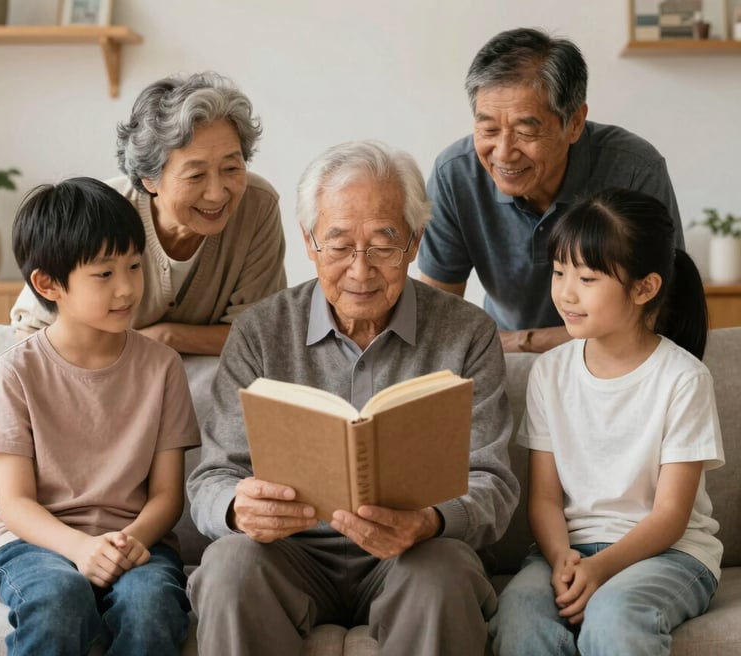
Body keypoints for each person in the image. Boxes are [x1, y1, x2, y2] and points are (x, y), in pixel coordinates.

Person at [186, 140, 519, 656]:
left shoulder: (468, 333)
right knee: (229, 566)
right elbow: (212, 476)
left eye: (383, 245)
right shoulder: (260, 331)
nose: (360, 271)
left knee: (444, 574)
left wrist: (429, 520)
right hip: (290, 554)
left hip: (414, 552)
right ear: (309, 241)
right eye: (339, 245)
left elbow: (492, 482)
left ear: (414, 242)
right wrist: (236, 509)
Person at [488, 188, 723, 656]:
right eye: (558, 272)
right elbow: (546, 500)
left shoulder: (683, 379)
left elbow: (671, 516)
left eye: (588, 278)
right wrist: (561, 561)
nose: (566, 292)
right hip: (567, 549)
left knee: (614, 615)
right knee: (518, 617)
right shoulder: (549, 373)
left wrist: (601, 570)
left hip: (670, 555)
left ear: (644, 287)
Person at [0, 177, 201, 654]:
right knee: (59, 598)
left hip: (137, 540)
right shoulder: (16, 371)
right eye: (104, 274)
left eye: (134, 266)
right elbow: (15, 504)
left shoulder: (162, 367)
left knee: (151, 606)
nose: (126, 288)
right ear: (48, 283)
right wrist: (79, 548)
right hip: (35, 543)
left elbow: (166, 496)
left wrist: (128, 541)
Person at [418, 27, 684, 354]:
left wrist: (523, 342)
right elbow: (436, 313)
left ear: (574, 123)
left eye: (525, 132)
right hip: (504, 362)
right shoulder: (456, 174)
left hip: (615, 360)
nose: (502, 152)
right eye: (488, 129)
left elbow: (661, 311)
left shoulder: (634, 170)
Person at [10, 71, 287, 355]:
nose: (217, 194)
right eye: (195, 175)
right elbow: (31, 330)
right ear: (148, 178)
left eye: (231, 168)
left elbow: (261, 334)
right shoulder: (103, 212)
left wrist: (166, 338)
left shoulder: (257, 204)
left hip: (209, 373)